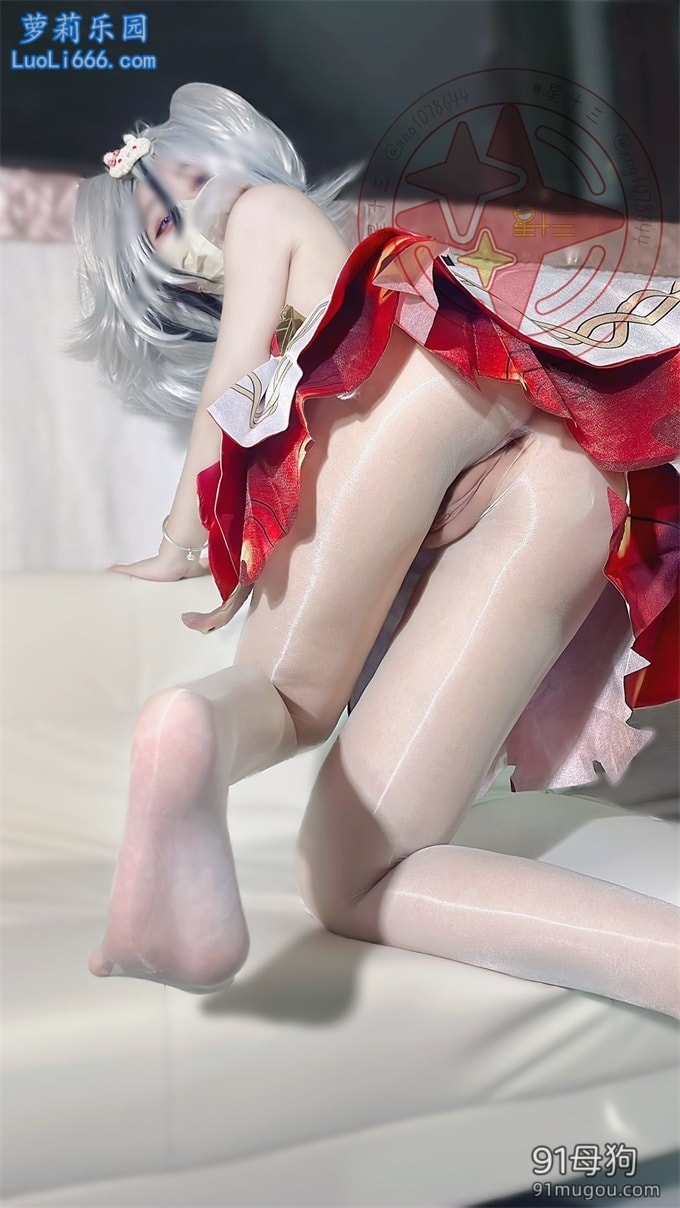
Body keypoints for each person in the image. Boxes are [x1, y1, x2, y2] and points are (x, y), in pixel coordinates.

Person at [66, 83, 680, 1016]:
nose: (188, 213)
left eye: (189, 177)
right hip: (563, 470)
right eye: (158, 227)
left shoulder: (265, 215)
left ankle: (191, 730)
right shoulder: (280, 253)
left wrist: (178, 542)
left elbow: (236, 373)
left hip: (419, 375)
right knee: (351, 875)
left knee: (288, 700)